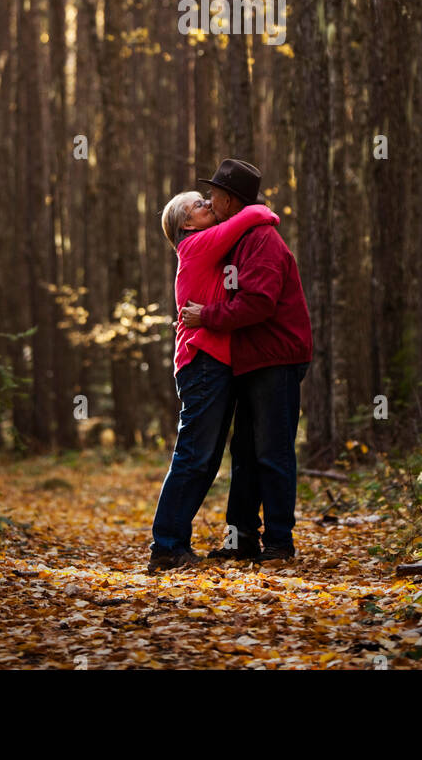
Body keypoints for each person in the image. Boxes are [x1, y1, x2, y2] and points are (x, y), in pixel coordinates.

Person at [182, 158, 312, 563]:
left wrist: (207, 316)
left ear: (228, 199)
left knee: (272, 451)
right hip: (249, 358)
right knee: (245, 450)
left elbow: (257, 303)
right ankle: (241, 539)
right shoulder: (233, 239)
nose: (208, 199)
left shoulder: (262, 241)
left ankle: (279, 542)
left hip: (276, 357)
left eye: (213, 195)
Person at [148, 188, 279, 574]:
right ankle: (167, 545)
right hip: (202, 361)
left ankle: (173, 543)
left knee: (204, 460)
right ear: (187, 223)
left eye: (206, 200)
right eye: (198, 205)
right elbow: (246, 219)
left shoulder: (206, 247)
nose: (208, 204)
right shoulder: (195, 244)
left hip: (214, 362)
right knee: (194, 455)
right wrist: (264, 211)